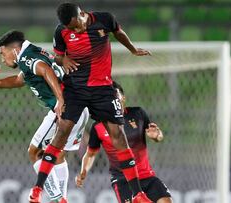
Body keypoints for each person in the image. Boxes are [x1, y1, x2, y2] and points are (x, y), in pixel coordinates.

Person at [29, 3, 152, 203]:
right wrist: (63, 60)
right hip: (76, 89)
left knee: (119, 137)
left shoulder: (104, 19)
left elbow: (119, 33)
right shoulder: (61, 31)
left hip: (103, 90)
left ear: (81, 13)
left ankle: (138, 194)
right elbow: (58, 56)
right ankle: (37, 189)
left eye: (76, 25)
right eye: (70, 28)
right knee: (60, 136)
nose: (74, 30)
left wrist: (133, 49)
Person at [0, 30, 89, 203]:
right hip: (78, 107)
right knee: (58, 155)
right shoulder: (33, 51)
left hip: (63, 108)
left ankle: (57, 200)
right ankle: (62, 199)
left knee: (35, 152)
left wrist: (60, 101)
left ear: (14, 50)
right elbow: (18, 80)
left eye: (3, 54)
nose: (2, 59)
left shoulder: (26, 58)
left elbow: (46, 71)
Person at [75, 82, 173, 203]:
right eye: (111, 99)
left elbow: (157, 135)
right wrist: (83, 170)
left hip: (147, 176)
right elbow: (90, 154)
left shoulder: (138, 113)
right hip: (123, 181)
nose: (115, 101)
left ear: (123, 98)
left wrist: (157, 135)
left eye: (117, 97)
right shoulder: (98, 126)